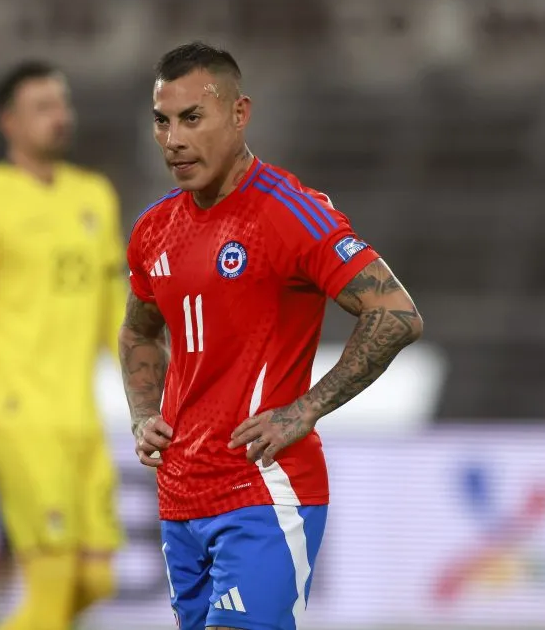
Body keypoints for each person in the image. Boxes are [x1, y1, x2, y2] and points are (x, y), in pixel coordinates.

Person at [120, 42, 424, 630]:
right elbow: (138, 331)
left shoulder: (289, 213)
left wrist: (305, 409)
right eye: (162, 121)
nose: (173, 139)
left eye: (191, 118)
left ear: (239, 115)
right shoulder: (154, 229)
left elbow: (396, 313)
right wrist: (141, 413)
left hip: (263, 489)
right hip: (180, 498)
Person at [0, 60, 125, 630]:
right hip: (18, 417)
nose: (59, 117)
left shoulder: (94, 195)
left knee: (97, 580)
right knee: (53, 581)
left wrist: (155, 386)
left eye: (62, 104)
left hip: (81, 418)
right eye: (42, 107)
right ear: (9, 122)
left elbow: (117, 311)